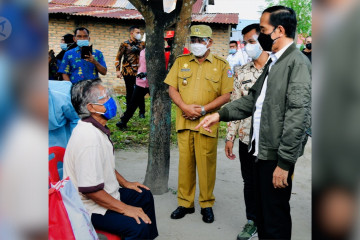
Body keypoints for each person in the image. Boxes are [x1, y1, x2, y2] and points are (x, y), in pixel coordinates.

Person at [196, 6, 311, 239]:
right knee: (262, 212)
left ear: (279, 30)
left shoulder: (296, 64)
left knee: (275, 216)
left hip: (276, 157)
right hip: (259, 150)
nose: (259, 37)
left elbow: (298, 116)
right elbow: (252, 101)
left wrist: (285, 163)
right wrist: (219, 114)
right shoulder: (275, 62)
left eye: (263, 30)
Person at [63, 79, 158, 239]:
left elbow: (104, 164)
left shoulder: (96, 128)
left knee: (144, 195)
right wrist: (125, 208)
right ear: (91, 107)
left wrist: (125, 183)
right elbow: (91, 190)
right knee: (137, 227)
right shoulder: (89, 139)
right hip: (89, 207)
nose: (111, 100)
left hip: (107, 192)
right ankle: (142, 233)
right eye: (105, 97)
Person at [164, 25, 233, 223]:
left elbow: (226, 95)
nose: (196, 44)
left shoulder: (221, 65)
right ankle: (185, 203)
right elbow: (172, 89)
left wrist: (203, 110)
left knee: (206, 165)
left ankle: (206, 203)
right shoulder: (181, 62)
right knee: (185, 165)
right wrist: (184, 107)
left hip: (207, 123)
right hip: (184, 121)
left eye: (200, 41)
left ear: (209, 42)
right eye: (193, 40)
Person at [225, 23, 269, 240]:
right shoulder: (241, 72)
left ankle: (269, 221)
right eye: (246, 42)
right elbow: (235, 105)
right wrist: (230, 137)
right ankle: (252, 220)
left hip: (271, 141)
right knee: (249, 182)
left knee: (270, 183)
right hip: (245, 138)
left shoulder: (279, 69)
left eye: (252, 41)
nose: (248, 46)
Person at [117, 36, 149, 129]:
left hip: (152, 82)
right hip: (141, 81)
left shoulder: (158, 53)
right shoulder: (142, 52)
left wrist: (147, 73)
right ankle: (123, 121)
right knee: (133, 102)